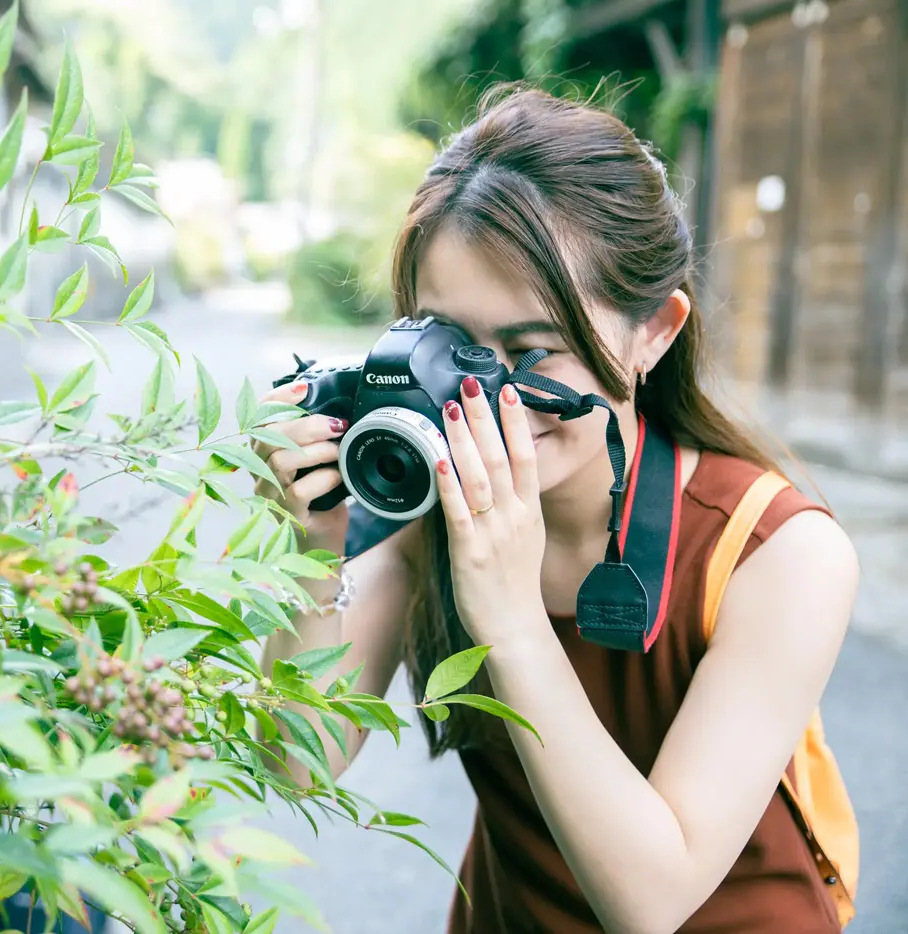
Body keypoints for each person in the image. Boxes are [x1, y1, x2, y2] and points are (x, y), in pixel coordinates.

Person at [254, 85, 860, 932]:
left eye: (532, 349)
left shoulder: (776, 553)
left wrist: (506, 612)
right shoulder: (435, 511)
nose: (484, 393)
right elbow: (295, 760)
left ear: (655, 329)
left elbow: (651, 901)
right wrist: (310, 551)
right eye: (449, 344)